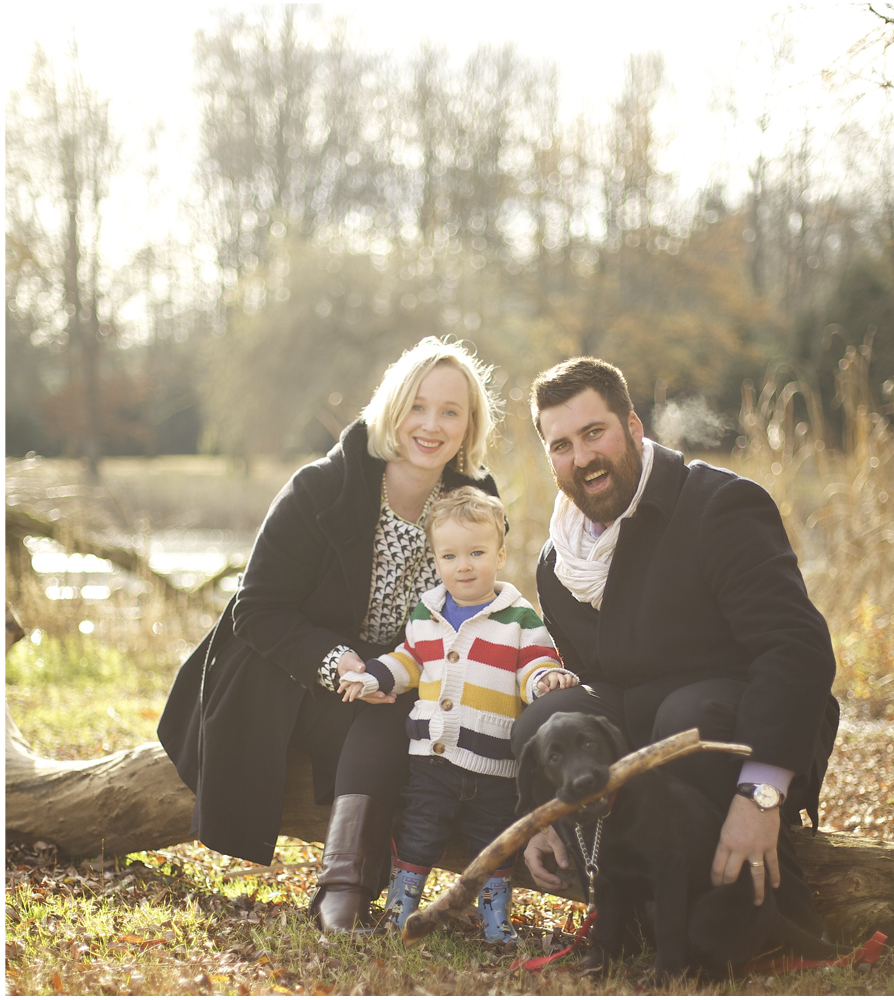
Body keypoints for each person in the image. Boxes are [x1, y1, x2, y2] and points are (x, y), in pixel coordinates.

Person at [158, 337, 504, 935]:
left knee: (394, 707)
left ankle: (342, 893)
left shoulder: (476, 500)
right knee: (384, 701)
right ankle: (343, 893)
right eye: (417, 406)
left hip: (391, 679)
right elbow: (257, 609)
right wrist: (338, 660)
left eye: (451, 411)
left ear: (470, 424)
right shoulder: (322, 486)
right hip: (282, 671)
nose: (431, 424)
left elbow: (471, 607)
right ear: (391, 408)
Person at [511, 356, 839, 938]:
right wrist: (537, 818)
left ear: (633, 427)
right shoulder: (559, 564)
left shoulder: (720, 507)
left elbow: (797, 649)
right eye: (561, 445)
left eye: (595, 433)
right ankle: (627, 906)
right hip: (647, 741)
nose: (582, 457)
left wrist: (761, 794)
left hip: (746, 731)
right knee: (548, 717)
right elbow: (594, 686)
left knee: (685, 715)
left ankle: (736, 915)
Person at [340, 487, 579, 941]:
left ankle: (495, 920)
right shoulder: (426, 613)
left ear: (500, 555)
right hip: (432, 760)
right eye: (449, 556)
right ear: (436, 561)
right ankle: (399, 913)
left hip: (495, 766)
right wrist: (373, 677)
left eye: (476, 552)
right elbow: (409, 660)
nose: (463, 565)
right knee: (418, 832)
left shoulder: (518, 618)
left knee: (496, 843)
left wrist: (546, 679)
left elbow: (535, 663)